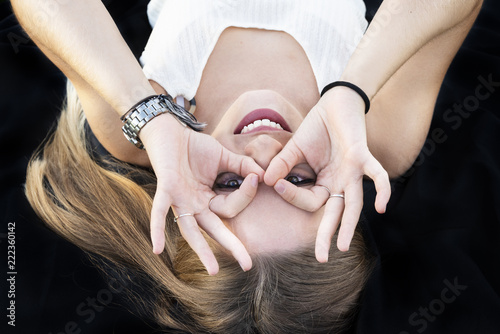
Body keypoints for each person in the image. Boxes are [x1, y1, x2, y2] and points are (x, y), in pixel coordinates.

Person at [12, 0, 483, 332]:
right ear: (344, 196)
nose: (262, 152)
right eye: (297, 179)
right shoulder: (379, 137)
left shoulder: (143, 135)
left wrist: (147, 111)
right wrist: (354, 89)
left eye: (231, 182)